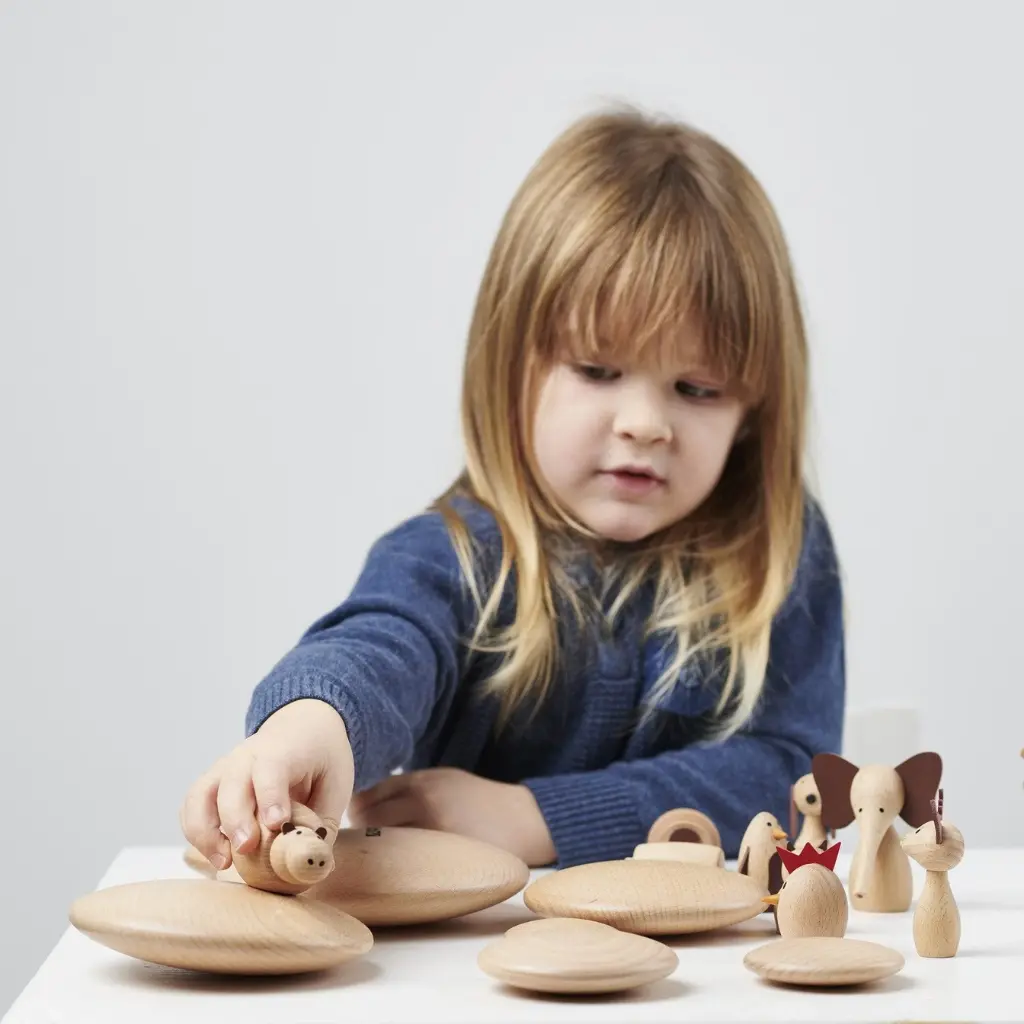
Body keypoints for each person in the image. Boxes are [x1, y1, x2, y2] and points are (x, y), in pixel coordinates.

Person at [179, 104, 845, 873]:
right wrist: (309, 724)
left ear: (754, 408)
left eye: (697, 389)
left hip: (708, 973)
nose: (646, 423)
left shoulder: (779, 548)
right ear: (510, 364)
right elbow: (380, 645)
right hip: (476, 965)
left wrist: (537, 818)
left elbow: (794, 775)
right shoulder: (457, 550)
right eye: (598, 370)